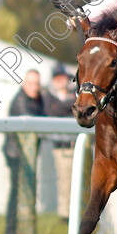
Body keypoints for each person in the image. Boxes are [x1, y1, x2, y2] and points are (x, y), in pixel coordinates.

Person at [2, 69, 45, 234]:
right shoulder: (19, 101)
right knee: (16, 191)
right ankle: (11, 230)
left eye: (37, 84)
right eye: (31, 84)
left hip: (27, 152)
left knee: (24, 190)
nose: (35, 88)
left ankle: (21, 229)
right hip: (16, 153)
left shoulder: (37, 99)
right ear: (24, 84)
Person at [42, 65, 76, 221]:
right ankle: (65, 214)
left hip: (75, 144)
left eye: (62, 77)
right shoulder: (48, 95)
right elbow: (52, 111)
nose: (60, 81)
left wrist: (63, 107)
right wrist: (67, 106)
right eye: (57, 78)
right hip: (60, 146)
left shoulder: (74, 92)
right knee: (63, 179)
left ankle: (77, 211)